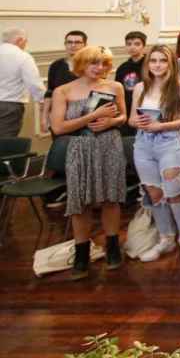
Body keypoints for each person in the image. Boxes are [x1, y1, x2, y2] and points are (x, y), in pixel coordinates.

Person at [49, 46, 127, 280]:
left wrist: (111, 122)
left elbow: (124, 117)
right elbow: (59, 127)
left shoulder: (115, 87)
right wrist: (91, 117)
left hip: (109, 145)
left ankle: (112, 248)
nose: (99, 68)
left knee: (110, 198)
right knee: (80, 201)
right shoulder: (63, 91)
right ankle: (81, 253)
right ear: (81, 64)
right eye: (94, 63)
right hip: (79, 149)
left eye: (104, 63)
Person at [127, 44, 180, 263]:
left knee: (174, 190)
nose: (158, 65)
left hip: (170, 142)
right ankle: (166, 238)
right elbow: (130, 119)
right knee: (154, 194)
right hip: (143, 144)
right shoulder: (139, 88)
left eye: (163, 60)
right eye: (153, 60)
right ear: (148, 64)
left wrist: (161, 126)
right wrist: (136, 121)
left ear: (171, 63)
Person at [0, 28, 45, 138]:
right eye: (25, 42)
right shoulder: (23, 56)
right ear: (20, 40)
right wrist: (43, 101)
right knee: (5, 143)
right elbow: (34, 83)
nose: (25, 45)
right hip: (9, 106)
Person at [42, 30, 87, 132]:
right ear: (65, 44)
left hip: (84, 117)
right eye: (69, 42)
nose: (73, 45)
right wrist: (44, 117)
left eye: (77, 42)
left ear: (85, 45)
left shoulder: (91, 66)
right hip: (59, 116)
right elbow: (50, 92)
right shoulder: (56, 65)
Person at [115, 31, 147, 135]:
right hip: (128, 108)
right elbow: (118, 91)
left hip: (146, 107)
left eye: (137, 44)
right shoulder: (122, 68)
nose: (132, 47)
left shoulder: (150, 64)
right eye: (129, 44)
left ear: (144, 46)